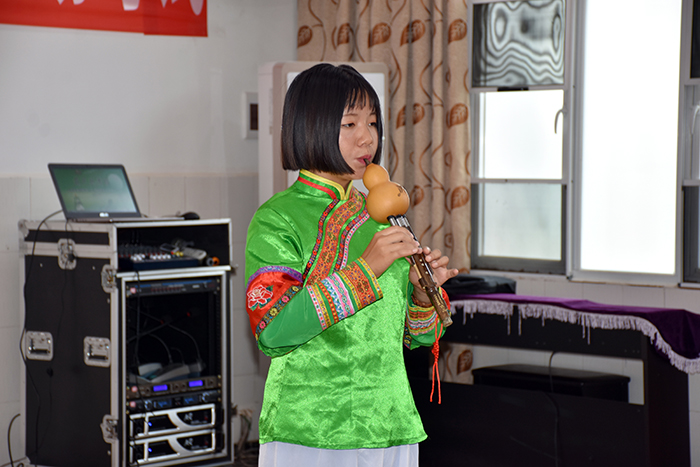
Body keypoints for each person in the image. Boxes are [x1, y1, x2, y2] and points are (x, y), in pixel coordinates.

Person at [244, 63, 459, 467]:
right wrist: (366, 269)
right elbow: (273, 330)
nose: (367, 137)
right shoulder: (277, 219)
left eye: (373, 123)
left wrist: (420, 294)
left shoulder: (383, 215)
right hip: (310, 428)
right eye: (350, 124)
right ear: (311, 126)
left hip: (391, 421)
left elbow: (417, 338)